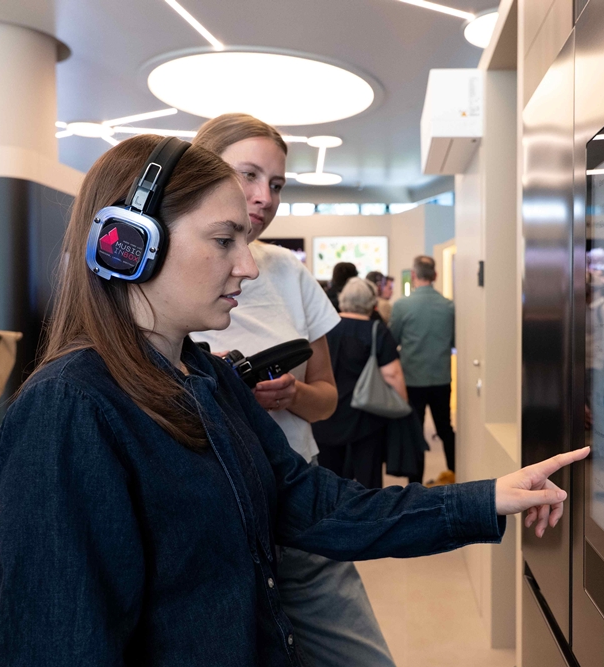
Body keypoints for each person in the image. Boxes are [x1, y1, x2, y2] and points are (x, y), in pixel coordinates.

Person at [0, 134, 589, 665]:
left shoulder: (208, 378)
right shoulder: (68, 410)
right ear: (129, 244)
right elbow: (57, 644)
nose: (247, 266)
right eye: (224, 240)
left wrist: (485, 499)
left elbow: (315, 504)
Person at [189, 113, 391, 667]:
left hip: (299, 497)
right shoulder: (170, 278)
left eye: (276, 184)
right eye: (248, 176)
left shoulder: (287, 272)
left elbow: (327, 397)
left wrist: (291, 394)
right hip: (215, 514)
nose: (263, 197)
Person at [313, 278, 406, 488]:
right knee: (368, 479)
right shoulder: (376, 331)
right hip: (365, 417)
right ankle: (368, 518)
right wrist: (402, 405)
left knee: (328, 478)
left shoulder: (323, 326)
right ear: (372, 303)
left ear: (342, 300)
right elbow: (393, 374)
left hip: (325, 413)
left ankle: (333, 517)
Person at [389, 255, 457, 486]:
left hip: (412, 379)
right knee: (445, 429)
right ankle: (455, 476)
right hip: (441, 378)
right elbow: (455, 341)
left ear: (414, 275)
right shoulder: (449, 307)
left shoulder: (401, 306)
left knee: (414, 434)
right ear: (435, 275)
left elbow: (393, 340)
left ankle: (415, 486)